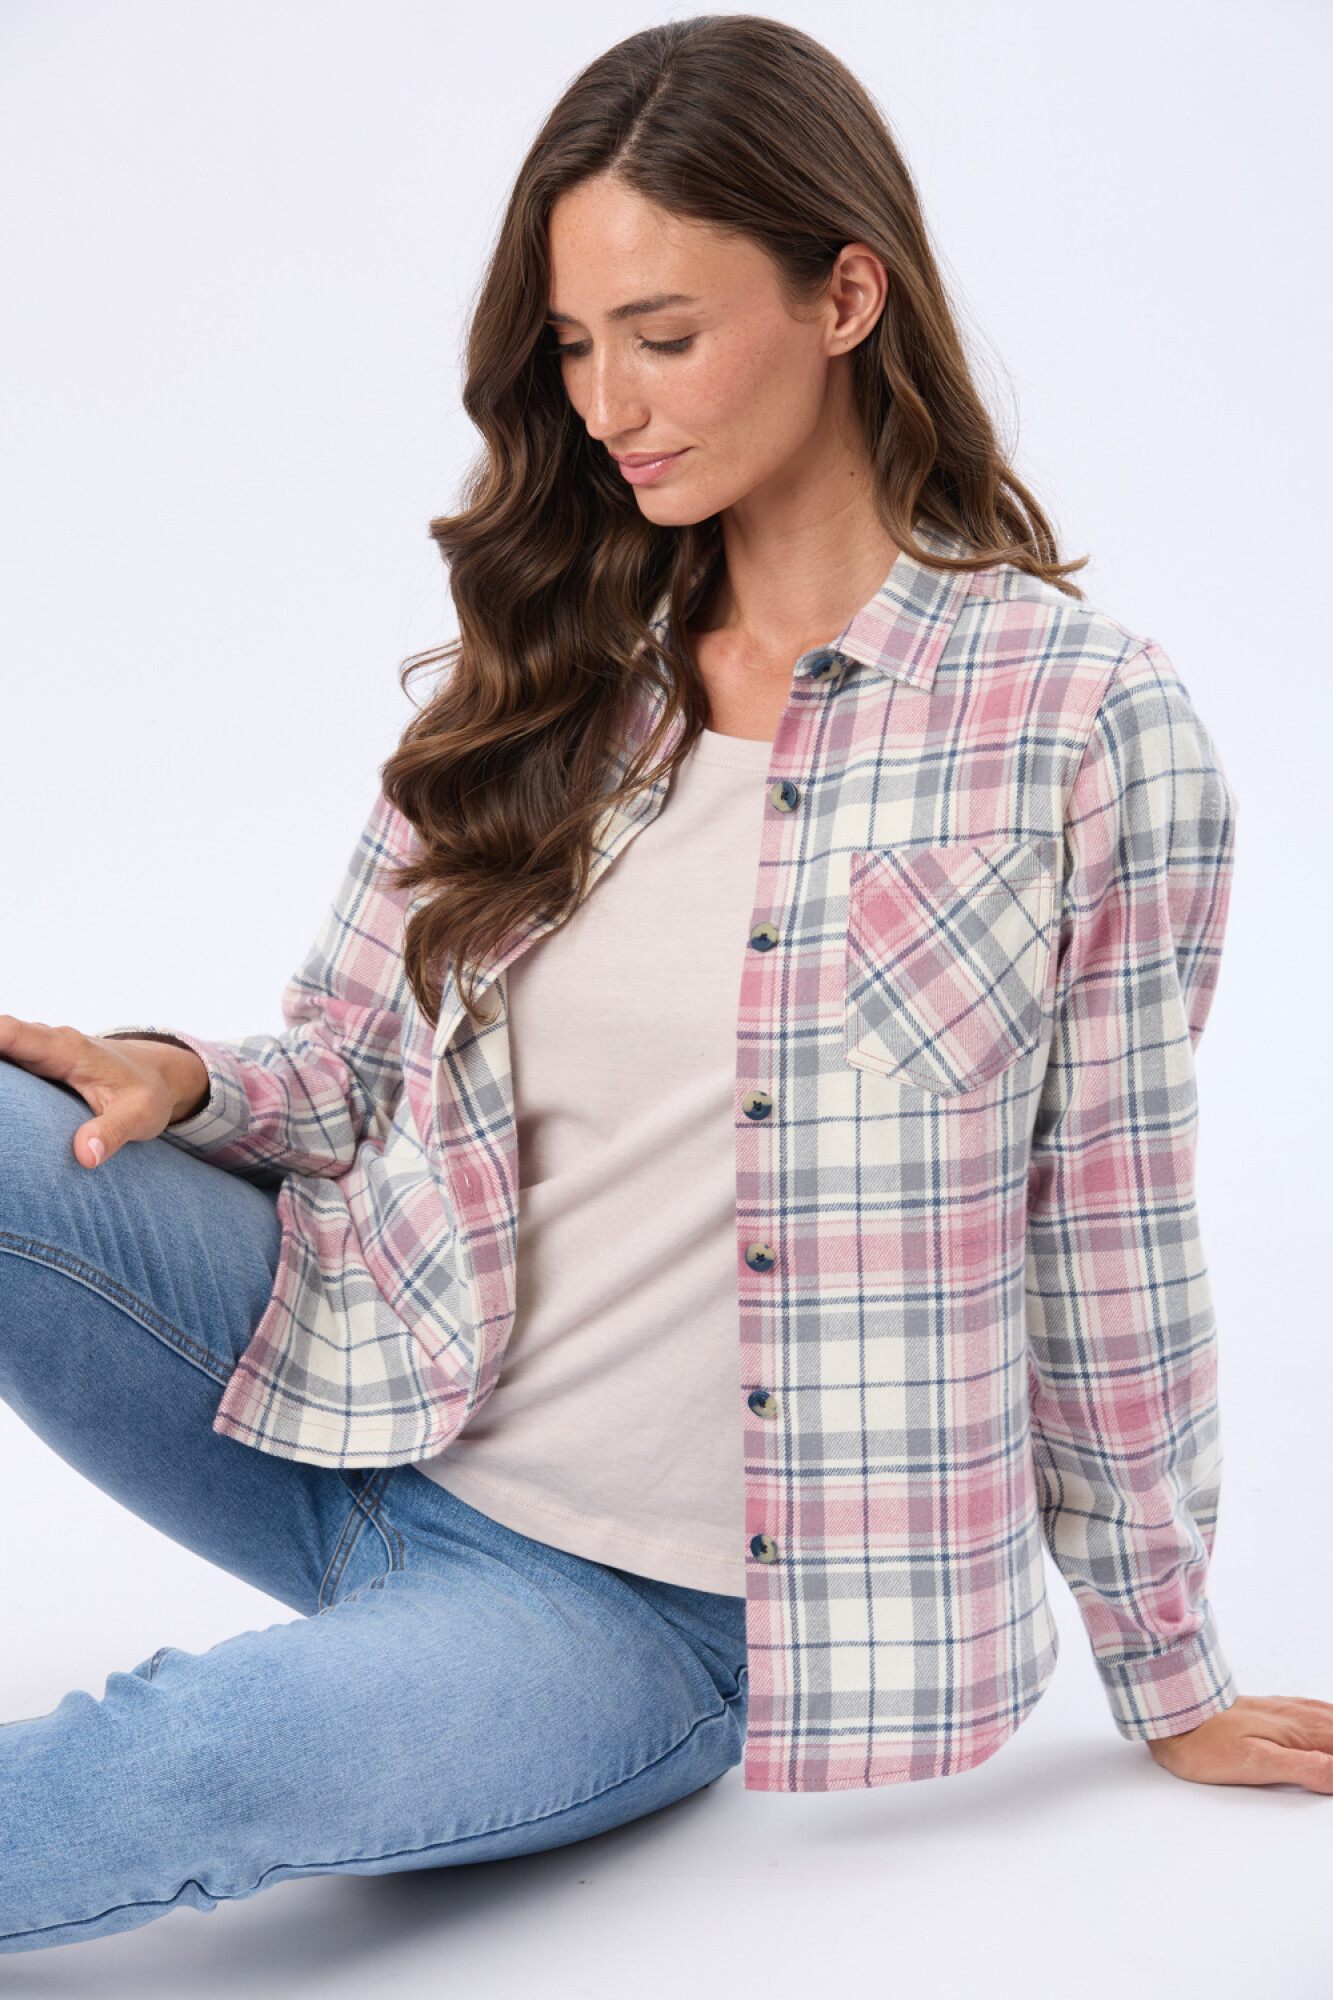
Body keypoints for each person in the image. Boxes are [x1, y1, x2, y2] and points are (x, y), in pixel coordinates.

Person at [2, 10, 1329, 1957]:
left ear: (844, 296)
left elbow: (1107, 1221)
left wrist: (1166, 1667)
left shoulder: (1074, 724)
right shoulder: (561, 674)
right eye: (570, 344)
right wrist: (180, 1079)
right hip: (347, 1397)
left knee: (188, 1759)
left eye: (664, 334)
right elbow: (354, 1066)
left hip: (619, 1616)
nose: (608, 401)